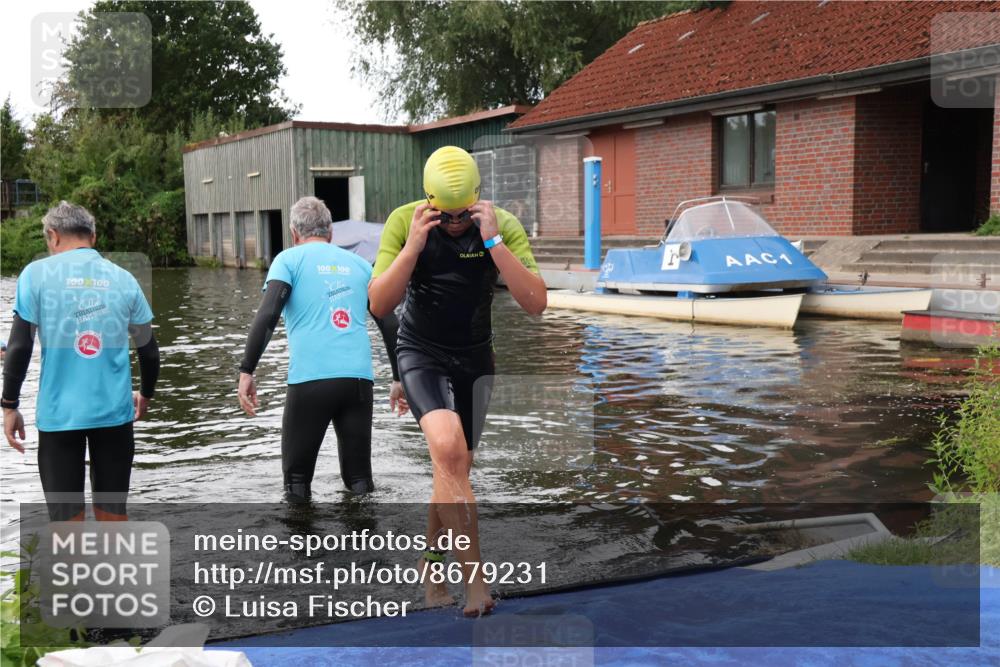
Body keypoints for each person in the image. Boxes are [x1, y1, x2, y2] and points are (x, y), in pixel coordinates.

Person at [368, 146, 547, 616]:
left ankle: (431, 564)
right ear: (427, 200)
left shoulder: (499, 224)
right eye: (443, 215)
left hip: (475, 358)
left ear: (477, 199)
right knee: (448, 450)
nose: (452, 223)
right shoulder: (404, 221)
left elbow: (536, 303)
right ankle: (475, 583)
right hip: (420, 352)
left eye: (461, 214)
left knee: (455, 469)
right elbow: (379, 305)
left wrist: (494, 244)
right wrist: (411, 247)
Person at [237, 196, 405, 500]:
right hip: (358, 381)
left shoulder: (287, 260)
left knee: (297, 480)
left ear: (293, 233)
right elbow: (389, 323)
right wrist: (398, 379)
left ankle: (303, 546)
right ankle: (368, 544)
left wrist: (247, 369)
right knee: (359, 480)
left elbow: (268, 315)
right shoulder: (359, 265)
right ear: (330, 233)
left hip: (310, 381)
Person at [2, 201, 160, 521]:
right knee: (113, 519)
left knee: (66, 525)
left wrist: (9, 404)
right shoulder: (124, 278)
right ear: (94, 236)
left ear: (53, 236)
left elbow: (19, 346)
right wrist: (145, 394)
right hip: (114, 416)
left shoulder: (35, 275)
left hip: (59, 417)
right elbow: (149, 350)